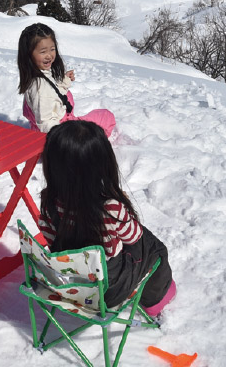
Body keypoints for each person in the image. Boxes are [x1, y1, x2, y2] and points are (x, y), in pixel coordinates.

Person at [38, 121, 175, 316]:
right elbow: (134, 237)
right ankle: (155, 300)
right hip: (108, 291)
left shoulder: (49, 202)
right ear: (101, 164)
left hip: (72, 285)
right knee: (153, 246)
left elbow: (51, 240)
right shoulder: (109, 208)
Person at [17, 23, 115, 136]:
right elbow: (46, 123)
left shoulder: (39, 76)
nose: (49, 55)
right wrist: (66, 138)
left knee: (69, 97)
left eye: (52, 49)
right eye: (43, 51)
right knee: (106, 118)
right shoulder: (40, 88)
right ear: (29, 55)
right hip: (61, 132)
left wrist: (65, 80)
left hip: (59, 124)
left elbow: (51, 94)